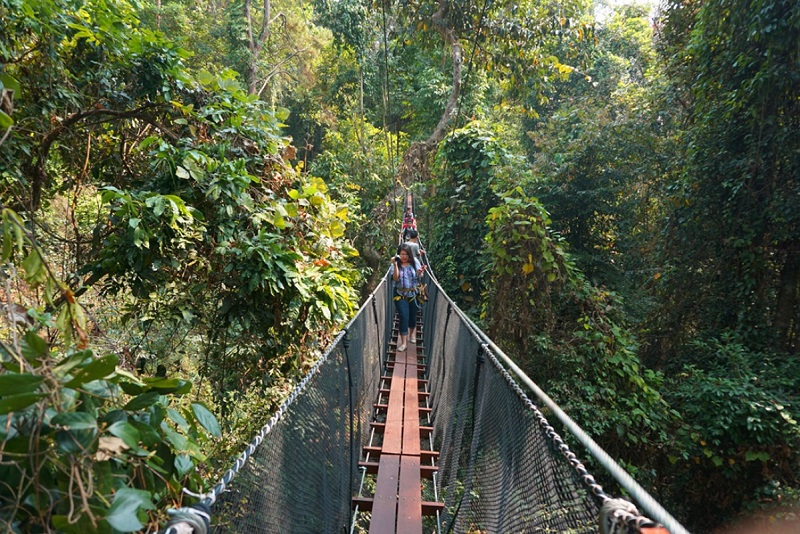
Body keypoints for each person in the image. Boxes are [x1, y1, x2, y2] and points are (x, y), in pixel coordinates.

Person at [390, 243, 423, 352]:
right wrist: (395, 265)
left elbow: (420, 276)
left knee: (413, 315)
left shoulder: (415, 262)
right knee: (404, 316)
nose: (404, 256)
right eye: (401, 254)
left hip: (413, 294)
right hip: (400, 294)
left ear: (409, 254)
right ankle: (403, 343)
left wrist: (420, 273)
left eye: (406, 254)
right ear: (398, 255)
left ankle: (412, 334)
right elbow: (395, 278)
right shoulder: (396, 264)